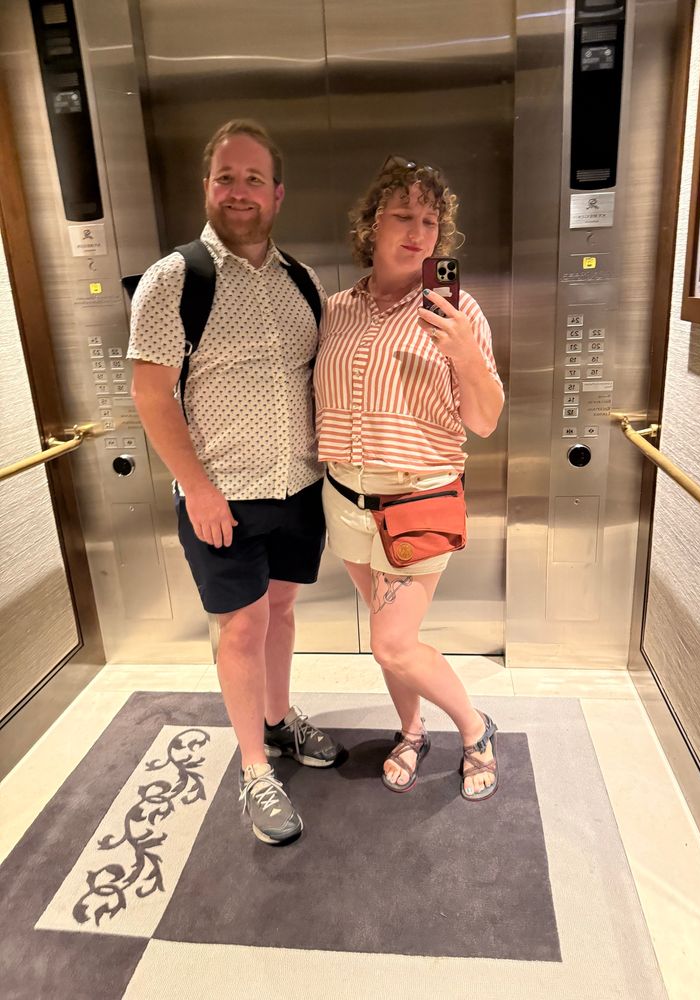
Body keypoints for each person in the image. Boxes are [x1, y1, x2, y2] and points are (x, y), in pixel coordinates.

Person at [127, 119, 343, 846]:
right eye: (227, 176)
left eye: (254, 178)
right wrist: (198, 489)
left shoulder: (303, 282)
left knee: (280, 611)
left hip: (299, 489)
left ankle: (278, 722)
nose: (240, 191)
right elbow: (152, 394)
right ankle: (255, 770)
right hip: (221, 495)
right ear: (207, 187)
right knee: (242, 627)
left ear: (277, 193)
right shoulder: (175, 279)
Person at [313, 156, 505, 800]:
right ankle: (411, 728)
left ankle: (475, 728)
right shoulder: (335, 309)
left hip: (418, 497)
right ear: (372, 224)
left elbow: (484, 420)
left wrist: (464, 356)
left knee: (391, 644)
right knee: (388, 631)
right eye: (403, 215)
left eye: (430, 219)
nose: (418, 230)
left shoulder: (457, 311)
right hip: (344, 499)